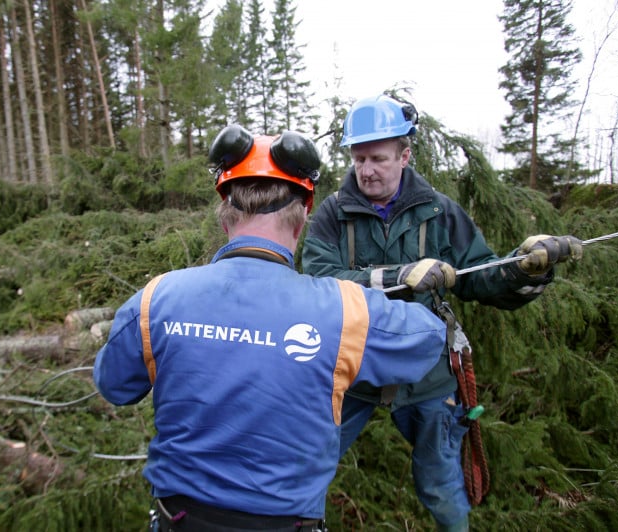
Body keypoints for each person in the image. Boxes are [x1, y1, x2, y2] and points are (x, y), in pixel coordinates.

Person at [93, 124, 449, 531]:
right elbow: (427, 339)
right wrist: (393, 279)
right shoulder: (346, 310)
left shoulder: (157, 298)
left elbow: (114, 385)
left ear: (225, 215)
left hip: (180, 519)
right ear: (303, 219)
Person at [301, 94, 584, 532]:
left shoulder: (439, 213)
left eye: (378, 158)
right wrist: (399, 275)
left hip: (427, 373)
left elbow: (480, 277)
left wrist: (524, 269)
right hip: (351, 367)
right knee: (306, 465)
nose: (367, 170)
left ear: (405, 154)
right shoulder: (333, 215)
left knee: (440, 483)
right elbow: (318, 283)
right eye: (359, 158)